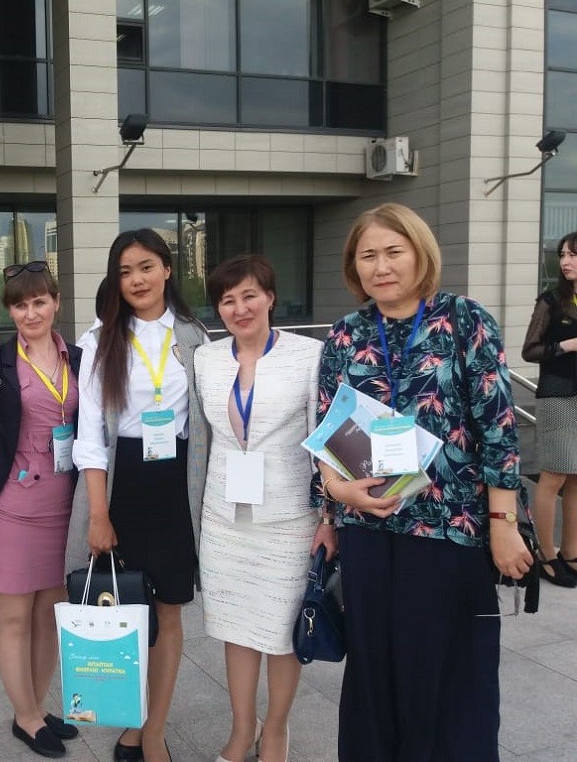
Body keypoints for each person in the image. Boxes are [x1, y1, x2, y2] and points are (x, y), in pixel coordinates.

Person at [313, 203, 532, 762]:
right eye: (368, 255)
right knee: (374, 670)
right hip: (368, 528)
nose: (381, 266)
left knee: (447, 668)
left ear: (420, 254)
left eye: (394, 252)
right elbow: (327, 431)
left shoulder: (463, 319)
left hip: (448, 529)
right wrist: (334, 499)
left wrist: (504, 523)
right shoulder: (345, 334)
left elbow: (499, 429)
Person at [67, 228, 208, 762]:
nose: (137, 280)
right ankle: (130, 720)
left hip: (176, 486)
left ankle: (152, 731)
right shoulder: (100, 339)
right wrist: (98, 514)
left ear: (167, 269)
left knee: (168, 612)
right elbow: (89, 437)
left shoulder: (193, 336)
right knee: (123, 611)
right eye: (125, 272)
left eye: (146, 267)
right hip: (121, 483)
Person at [193, 256, 333, 762]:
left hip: (290, 517)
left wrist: (328, 518)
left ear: (271, 297)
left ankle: (274, 729)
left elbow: (325, 440)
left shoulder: (310, 356)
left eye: (249, 295)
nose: (240, 308)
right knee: (235, 627)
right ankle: (241, 729)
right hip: (224, 517)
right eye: (227, 300)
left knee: (280, 629)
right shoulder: (205, 359)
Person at [0, 260, 83, 758]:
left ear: (55, 303)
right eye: (20, 305)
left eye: (39, 302)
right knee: (14, 620)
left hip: (64, 505)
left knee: (49, 618)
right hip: (10, 505)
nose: (31, 313)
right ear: (10, 310)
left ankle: (36, 705)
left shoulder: (79, 358)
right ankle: (25, 717)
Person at [521, 231, 577, 588]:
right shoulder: (552, 301)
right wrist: (566, 345)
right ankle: (546, 555)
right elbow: (530, 350)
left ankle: (570, 553)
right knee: (554, 474)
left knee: (576, 477)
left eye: (573, 255)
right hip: (557, 396)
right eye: (562, 255)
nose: (565, 261)